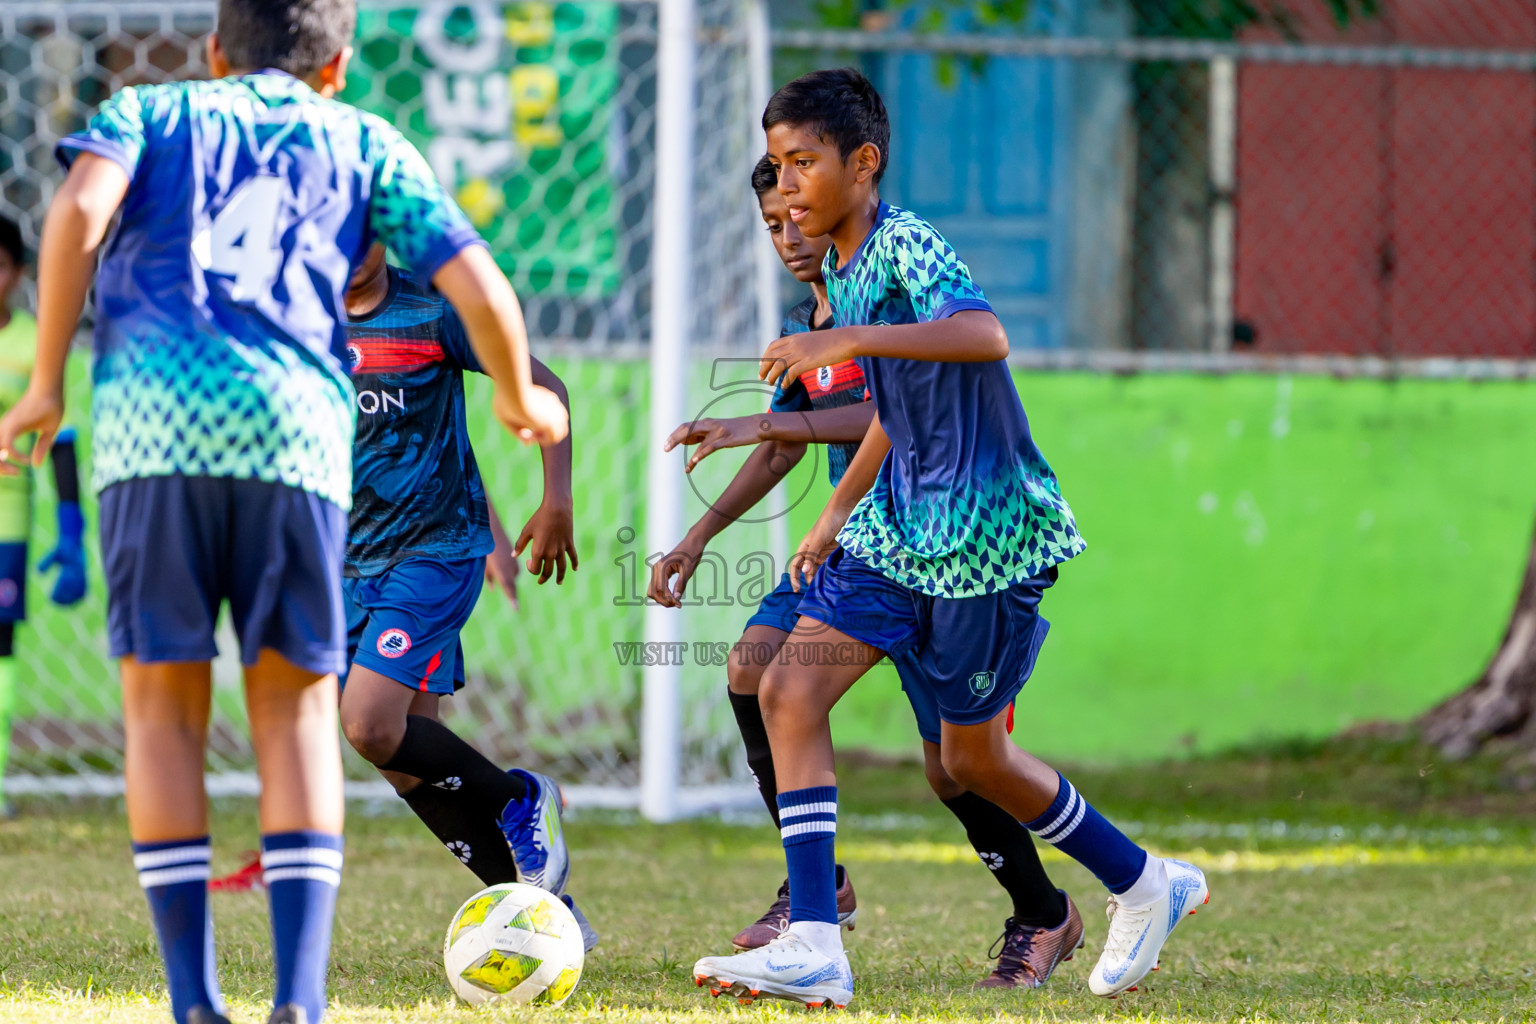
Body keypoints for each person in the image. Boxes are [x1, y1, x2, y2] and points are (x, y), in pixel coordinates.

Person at [0, 2, 568, 1022]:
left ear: (216, 52)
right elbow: (474, 273)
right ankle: (298, 1002)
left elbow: (78, 211)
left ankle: (193, 1001)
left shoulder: (149, 115)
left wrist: (45, 381)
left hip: (153, 438)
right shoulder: (360, 138)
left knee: (164, 720)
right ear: (338, 64)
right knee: (301, 716)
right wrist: (522, 394)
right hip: (291, 446)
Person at [692, 68, 1207, 1009]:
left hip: (984, 536)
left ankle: (1142, 881)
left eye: (804, 163)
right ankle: (815, 940)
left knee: (970, 763)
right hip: (898, 529)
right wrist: (837, 513)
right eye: (778, 165)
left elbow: (983, 336)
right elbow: (896, 409)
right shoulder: (842, 267)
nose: (789, 186)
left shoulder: (905, 242)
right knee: (785, 687)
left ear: (864, 163)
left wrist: (846, 344)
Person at [653, 157, 1081, 989]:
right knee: (754, 671)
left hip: (930, 545)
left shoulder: (887, 302)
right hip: (849, 550)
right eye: (772, 224)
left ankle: (1042, 911)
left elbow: (894, 411)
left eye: (796, 212)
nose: (789, 234)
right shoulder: (806, 327)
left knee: (954, 765)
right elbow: (781, 442)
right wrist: (698, 535)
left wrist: (775, 423)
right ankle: (816, 890)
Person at [0, 214, 89, 820]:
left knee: (0, 650)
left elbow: (60, 441)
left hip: (7, 521)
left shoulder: (37, 343)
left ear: (19, 273)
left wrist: (72, 533)